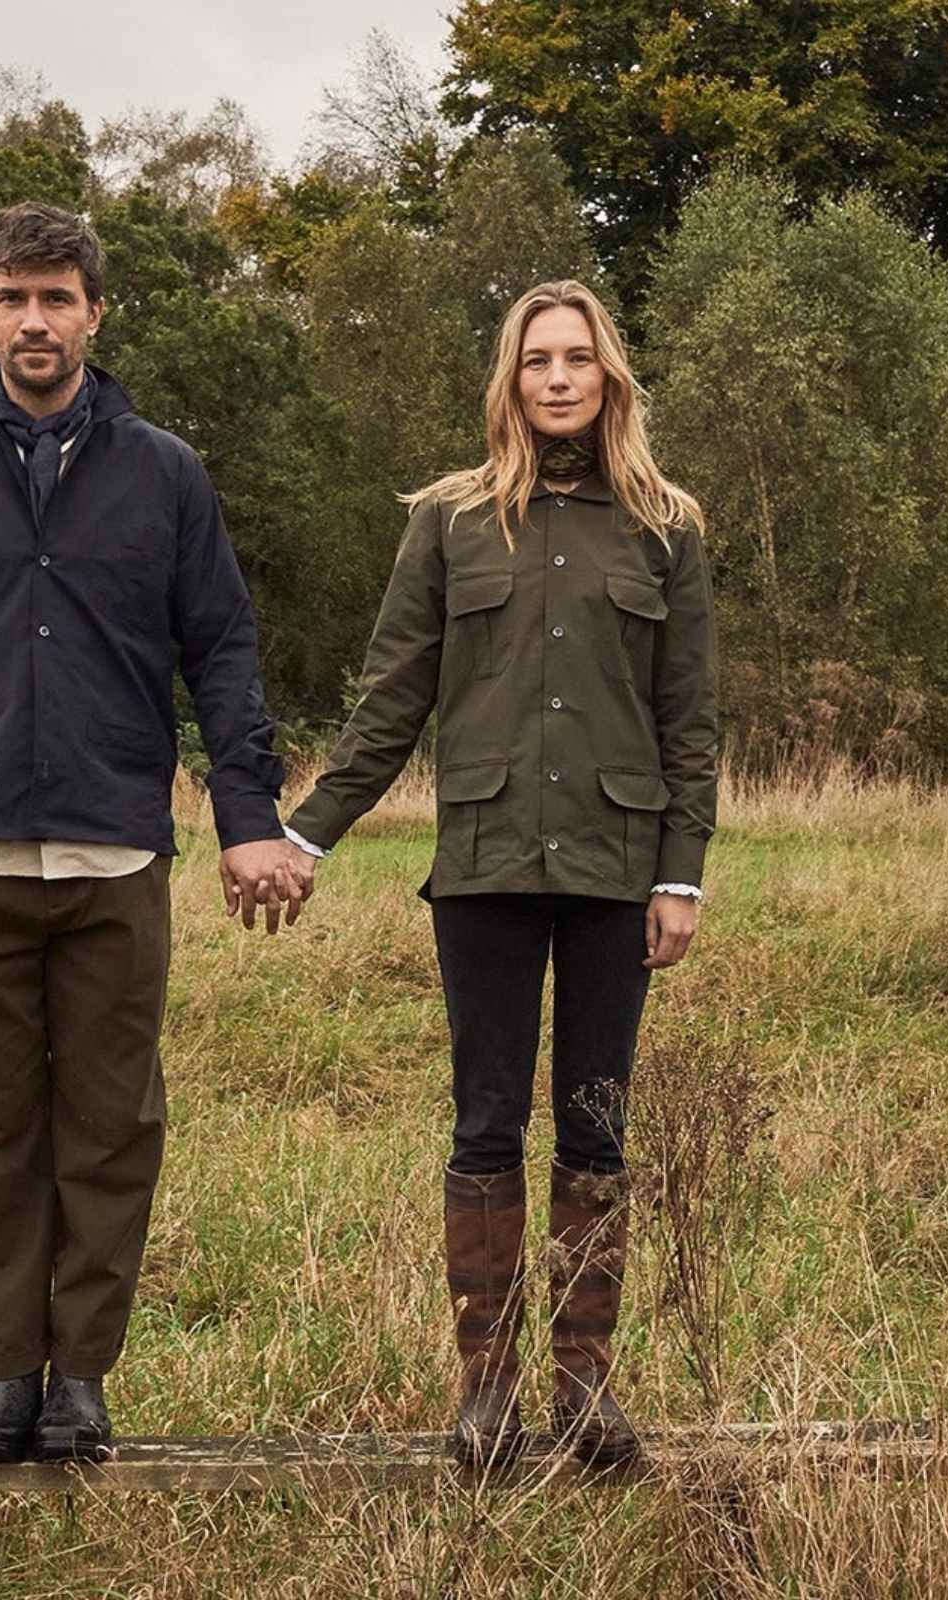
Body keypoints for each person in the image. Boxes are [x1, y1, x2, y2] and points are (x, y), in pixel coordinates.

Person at [0, 202, 306, 1463]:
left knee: (108, 1124)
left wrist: (244, 817)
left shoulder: (164, 473)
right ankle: (6, 1372)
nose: (32, 319)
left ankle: (82, 1375)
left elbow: (222, 652)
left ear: (95, 312)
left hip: (113, 855)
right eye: (9, 296)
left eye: (55, 297)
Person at [281, 280, 717, 1468]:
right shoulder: (448, 520)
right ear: (510, 380)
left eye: (579, 358)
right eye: (538, 361)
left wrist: (680, 876)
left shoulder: (665, 526)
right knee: (484, 1125)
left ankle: (583, 1392)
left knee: (594, 1128)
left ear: (609, 377)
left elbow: (689, 722)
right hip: (480, 865)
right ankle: (488, 1393)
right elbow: (388, 700)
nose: (559, 378)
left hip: (615, 870)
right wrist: (307, 833)